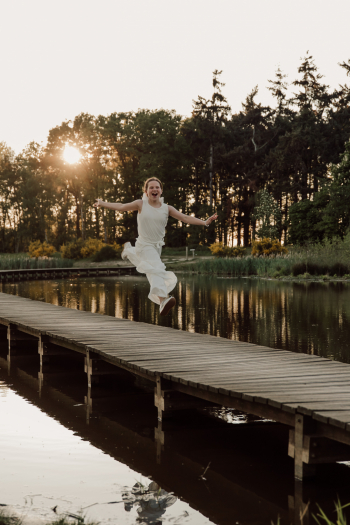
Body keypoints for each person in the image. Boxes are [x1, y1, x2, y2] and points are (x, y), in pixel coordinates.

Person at [94, 177, 217, 316]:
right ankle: (163, 299)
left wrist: (205, 222)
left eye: (157, 187)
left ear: (161, 191)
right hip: (144, 244)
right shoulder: (141, 204)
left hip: (156, 247)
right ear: (146, 192)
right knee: (156, 269)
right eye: (151, 187)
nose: (154, 189)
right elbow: (122, 207)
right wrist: (103, 203)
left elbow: (186, 218)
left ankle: (160, 299)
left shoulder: (167, 208)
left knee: (152, 272)